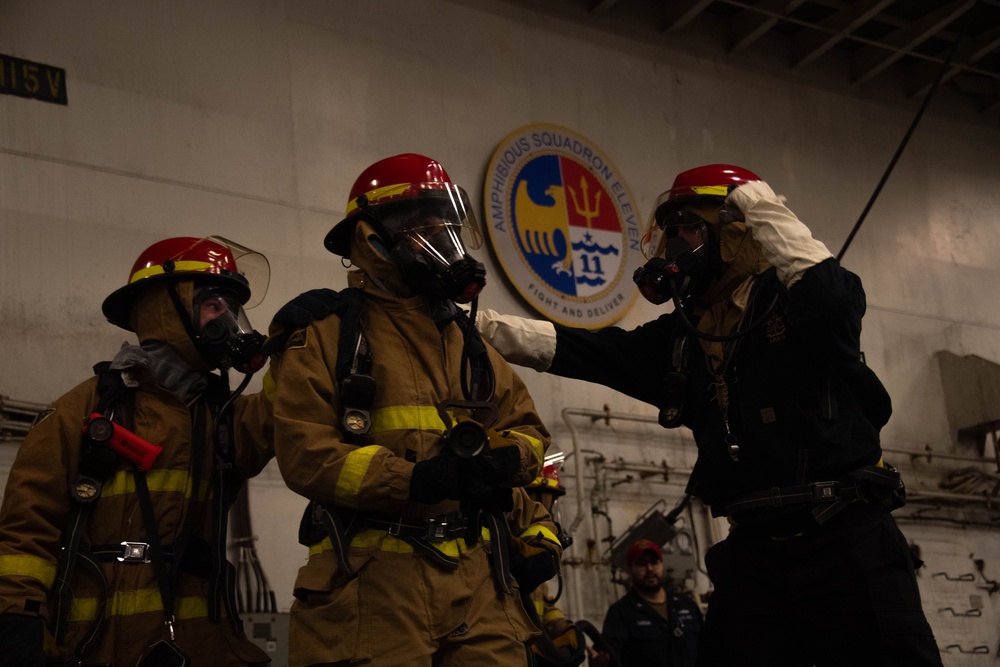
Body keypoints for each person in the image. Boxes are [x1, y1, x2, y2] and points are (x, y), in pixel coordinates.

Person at [477, 164, 944, 666]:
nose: (676, 247)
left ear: (735, 233)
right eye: (669, 234)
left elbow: (833, 297)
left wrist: (760, 203)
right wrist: (480, 328)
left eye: (691, 230)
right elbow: (590, 350)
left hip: (846, 540)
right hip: (754, 550)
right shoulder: (684, 335)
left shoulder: (793, 303)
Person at [263, 153, 550, 666]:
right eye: (423, 223)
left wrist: (510, 461)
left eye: (448, 221)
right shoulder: (326, 333)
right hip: (371, 583)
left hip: (478, 582)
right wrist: (413, 482)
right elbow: (306, 453)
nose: (442, 235)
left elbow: (527, 428)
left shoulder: (467, 340)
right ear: (373, 238)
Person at [0, 236, 274, 666]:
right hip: (94, 648)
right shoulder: (81, 411)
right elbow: (25, 530)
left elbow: (289, 416)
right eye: (214, 306)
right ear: (168, 309)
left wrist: (301, 347)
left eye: (233, 310)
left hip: (199, 648)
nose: (231, 322)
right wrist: (18, 621)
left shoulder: (227, 417)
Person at [587, 539, 701, 667]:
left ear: (662, 564)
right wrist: (599, 663)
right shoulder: (621, 613)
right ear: (630, 568)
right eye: (642, 563)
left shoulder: (686, 605)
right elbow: (609, 658)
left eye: (654, 562)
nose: (650, 569)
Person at [520, 457, 586, 667]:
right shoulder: (504, 551)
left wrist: (563, 628)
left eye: (549, 503)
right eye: (539, 501)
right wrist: (532, 647)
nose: (545, 514)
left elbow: (543, 606)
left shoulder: (535, 555)